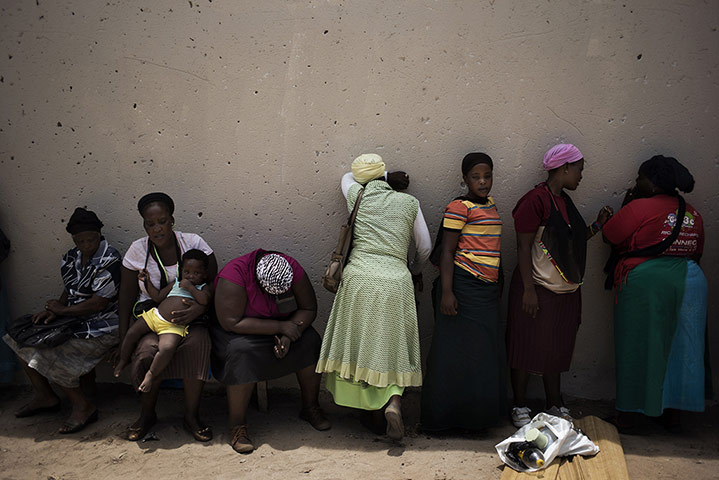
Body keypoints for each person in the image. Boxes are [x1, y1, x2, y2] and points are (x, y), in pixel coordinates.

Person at [316, 153, 432, 441]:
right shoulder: (409, 203)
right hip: (395, 281)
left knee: (361, 346)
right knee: (392, 349)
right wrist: (414, 269)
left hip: (359, 279)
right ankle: (393, 402)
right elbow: (426, 247)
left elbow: (345, 178)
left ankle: (367, 411)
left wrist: (381, 177)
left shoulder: (357, 195)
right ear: (383, 175)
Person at [506, 144, 613, 427]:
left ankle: (555, 403)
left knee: (557, 348)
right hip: (537, 288)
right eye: (579, 169)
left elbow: (566, 245)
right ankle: (519, 405)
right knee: (526, 347)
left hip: (564, 292)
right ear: (564, 168)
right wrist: (528, 290)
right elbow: (522, 245)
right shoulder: (534, 201)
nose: (581, 176)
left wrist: (597, 227)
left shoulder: (564, 202)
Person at [602, 155, 707, 431]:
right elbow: (697, 252)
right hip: (691, 283)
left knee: (637, 347)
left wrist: (626, 206)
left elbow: (610, 234)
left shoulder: (640, 207)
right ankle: (672, 415)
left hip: (646, 286)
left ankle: (630, 415)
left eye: (640, 178)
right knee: (680, 350)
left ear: (653, 182)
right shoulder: (692, 212)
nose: (637, 183)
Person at [2, 207, 121, 433]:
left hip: (102, 325)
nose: (87, 245)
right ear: (74, 240)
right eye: (81, 241)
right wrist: (55, 312)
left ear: (99, 235)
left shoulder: (110, 257)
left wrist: (62, 311)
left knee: (52, 353)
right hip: (73, 320)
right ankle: (45, 396)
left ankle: (83, 406)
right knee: (20, 338)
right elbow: (69, 291)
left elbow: (99, 304)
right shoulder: (70, 257)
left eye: (91, 239)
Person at [118, 192, 217, 442]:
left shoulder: (192, 243)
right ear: (144, 225)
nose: (157, 228)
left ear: (172, 220)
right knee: (146, 351)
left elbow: (214, 284)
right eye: (150, 224)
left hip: (191, 320)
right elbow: (126, 298)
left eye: (161, 221)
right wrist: (122, 341)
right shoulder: (138, 251)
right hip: (153, 318)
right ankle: (147, 414)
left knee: (197, 345)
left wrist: (199, 309)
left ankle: (191, 416)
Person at [213, 249, 331, 454]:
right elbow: (231, 322)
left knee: (310, 340)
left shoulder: (292, 269)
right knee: (241, 352)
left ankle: (310, 407)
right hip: (240, 331)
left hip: (284, 326)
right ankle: (237, 425)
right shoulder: (234, 275)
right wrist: (279, 327)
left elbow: (309, 309)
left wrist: (289, 334)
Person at [420, 152, 505, 432]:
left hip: (486, 292)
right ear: (465, 179)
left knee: (482, 356)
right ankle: (444, 420)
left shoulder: (491, 206)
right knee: (453, 355)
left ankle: (477, 421)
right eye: (476, 177)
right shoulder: (459, 207)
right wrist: (447, 292)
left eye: (487, 176)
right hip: (463, 288)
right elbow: (447, 252)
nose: (482, 182)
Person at [115, 249, 211, 392]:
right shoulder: (176, 283)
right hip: (155, 316)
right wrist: (147, 282)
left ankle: (151, 374)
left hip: (173, 327)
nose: (190, 276)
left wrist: (191, 288)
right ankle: (123, 359)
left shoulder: (202, 288)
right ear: (181, 271)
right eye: (187, 272)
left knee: (167, 349)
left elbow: (204, 301)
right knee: (132, 332)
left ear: (204, 274)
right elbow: (158, 296)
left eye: (196, 273)